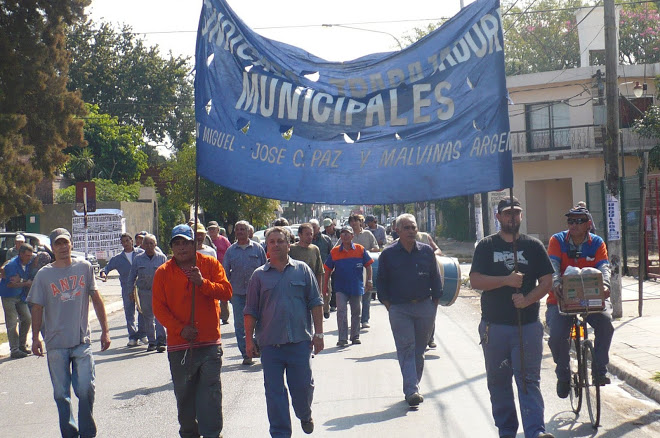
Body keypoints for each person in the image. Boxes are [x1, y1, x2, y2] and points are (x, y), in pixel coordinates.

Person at [470, 197, 555, 438]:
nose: (512, 217)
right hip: (494, 328)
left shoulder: (533, 246)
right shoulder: (486, 246)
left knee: (529, 381)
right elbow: (476, 280)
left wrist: (528, 299)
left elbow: (547, 281)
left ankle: (535, 431)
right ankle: (507, 431)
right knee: (499, 383)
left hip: (526, 326)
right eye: (507, 213)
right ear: (498, 217)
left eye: (516, 213)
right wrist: (505, 281)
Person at [28, 228, 111, 438]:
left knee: (85, 389)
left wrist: (105, 331)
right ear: (53, 248)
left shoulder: (84, 267)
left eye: (66, 243)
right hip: (55, 343)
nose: (63, 247)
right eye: (58, 244)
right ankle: (70, 433)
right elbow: (36, 307)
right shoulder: (44, 275)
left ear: (71, 244)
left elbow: (96, 298)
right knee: (61, 394)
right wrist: (35, 337)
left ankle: (87, 432)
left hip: (81, 340)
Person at [152, 224, 233, 438]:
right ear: (171, 247)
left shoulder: (209, 264)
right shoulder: (162, 272)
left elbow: (226, 292)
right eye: (176, 244)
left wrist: (203, 283)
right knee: (185, 397)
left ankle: (213, 434)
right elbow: (159, 308)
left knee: (210, 395)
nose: (181, 248)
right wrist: (180, 329)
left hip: (209, 343)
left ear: (194, 244)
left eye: (185, 243)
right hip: (180, 346)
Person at [244, 226, 324, 437]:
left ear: (289, 245)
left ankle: (305, 414)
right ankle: (280, 433)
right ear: (266, 247)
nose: (277, 245)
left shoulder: (303, 270)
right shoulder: (258, 276)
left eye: (281, 241)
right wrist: (249, 341)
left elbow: (316, 302)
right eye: (272, 242)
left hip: (299, 342)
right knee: (274, 393)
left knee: (303, 388)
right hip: (271, 345)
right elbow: (250, 311)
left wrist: (319, 334)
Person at [546, 205, 613, 398]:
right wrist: (557, 283)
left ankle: (599, 370)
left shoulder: (597, 243)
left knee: (606, 325)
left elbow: (604, 267)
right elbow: (553, 266)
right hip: (560, 300)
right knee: (557, 337)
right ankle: (563, 374)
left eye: (579, 221)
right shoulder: (557, 240)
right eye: (570, 221)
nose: (574, 224)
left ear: (588, 224)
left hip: (590, 300)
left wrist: (606, 285)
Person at [377, 214, 443, 406]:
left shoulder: (426, 252)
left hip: (424, 307)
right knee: (406, 348)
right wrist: (390, 306)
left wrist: (433, 306)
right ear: (397, 231)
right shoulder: (388, 254)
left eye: (413, 227)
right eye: (406, 228)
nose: (411, 231)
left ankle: (413, 384)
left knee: (419, 351)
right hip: (399, 309)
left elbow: (435, 280)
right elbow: (381, 284)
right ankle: (412, 390)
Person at [223, 220, 267, 365]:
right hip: (238, 294)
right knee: (240, 325)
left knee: (260, 322)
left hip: (257, 293)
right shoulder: (230, 251)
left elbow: (265, 269)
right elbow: (225, 273)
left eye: (243, 229)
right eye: (238, 230)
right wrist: (228, 290)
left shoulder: (258, 249)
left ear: (249, 232)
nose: (240, 232)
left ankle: (258, 348)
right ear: (235, 232)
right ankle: (246, 354)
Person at [323, 226, 373, 347]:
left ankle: (355, 336)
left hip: (356, 286)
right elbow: (328, 269)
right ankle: (342, 338)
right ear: (340, 236)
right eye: (343, 234)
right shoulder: (334, 252)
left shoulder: (360, 249)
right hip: (340, 287)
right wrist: (325, 286)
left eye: (348, 233)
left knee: (356, 312)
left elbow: (368, 265)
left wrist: (369, 280)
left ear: (352, 236)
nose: (345, 236)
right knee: (341, 312)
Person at [100, 233, 146, 347]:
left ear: (132, 241)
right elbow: (106, 268)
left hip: (141, 287)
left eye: (127, 241)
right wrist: (103, 273)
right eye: (123, 242)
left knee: (143, 310)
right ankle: (132, 336)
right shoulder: (118, 259)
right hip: (127, 289)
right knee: (129, 313)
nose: (125, 243)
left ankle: (142, 334)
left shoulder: (141, 254)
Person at [128, 234, 168, 352]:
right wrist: (130, 291)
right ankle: (152, 342)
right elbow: (131, 276)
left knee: (160, 317)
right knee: (148, 317)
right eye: (147, 243)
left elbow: (167, 276)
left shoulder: (162, 258)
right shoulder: (138, 259)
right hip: (144, 293)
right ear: (143, 245)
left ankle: (161, 341)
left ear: (155, 245)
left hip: (159, 292)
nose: (149, 246)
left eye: (152, 243)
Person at [0, 243, 34, 358]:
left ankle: (22, 345)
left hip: (20, 295)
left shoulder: (29, 262)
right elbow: (10, 284)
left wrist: (21, 281)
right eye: (27, 255)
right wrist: (25, 283)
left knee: (27, 318)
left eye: (31, 255)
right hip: (8, 295)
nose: (30, 257)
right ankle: (14, 350)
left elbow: (19, 281)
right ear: (21, 255)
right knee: (12, 322)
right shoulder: (12, 265)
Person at [347, 214, 378, 329]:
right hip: (352, 269)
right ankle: (355, 320)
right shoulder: (347, 235)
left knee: (367, 294)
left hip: (366, 267)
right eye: (352, 221)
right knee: (353, 297)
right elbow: (338, 249)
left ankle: (365, 320)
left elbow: (376, 248)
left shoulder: (368, 234)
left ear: (361, 222)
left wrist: (365, 252)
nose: (354, 223)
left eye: (356, 221)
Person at [289, 223, 324, 319]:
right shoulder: (291, 249)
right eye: (307, 234)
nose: (310, 237)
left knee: (311, 316)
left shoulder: (315, 249)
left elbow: (319, 271)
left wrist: (320, 291)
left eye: (311, 234)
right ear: (300, 235)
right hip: (295, 288)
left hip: (311, 287)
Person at [311, 219, 332, 319]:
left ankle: (326, 309)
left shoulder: (326, 239)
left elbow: (331, 254)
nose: (312, 229)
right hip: (310, 270)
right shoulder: (306, 240)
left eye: (314, 227)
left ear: (319, 228)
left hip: (324, 270)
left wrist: (331, 267)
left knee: (325, 290)